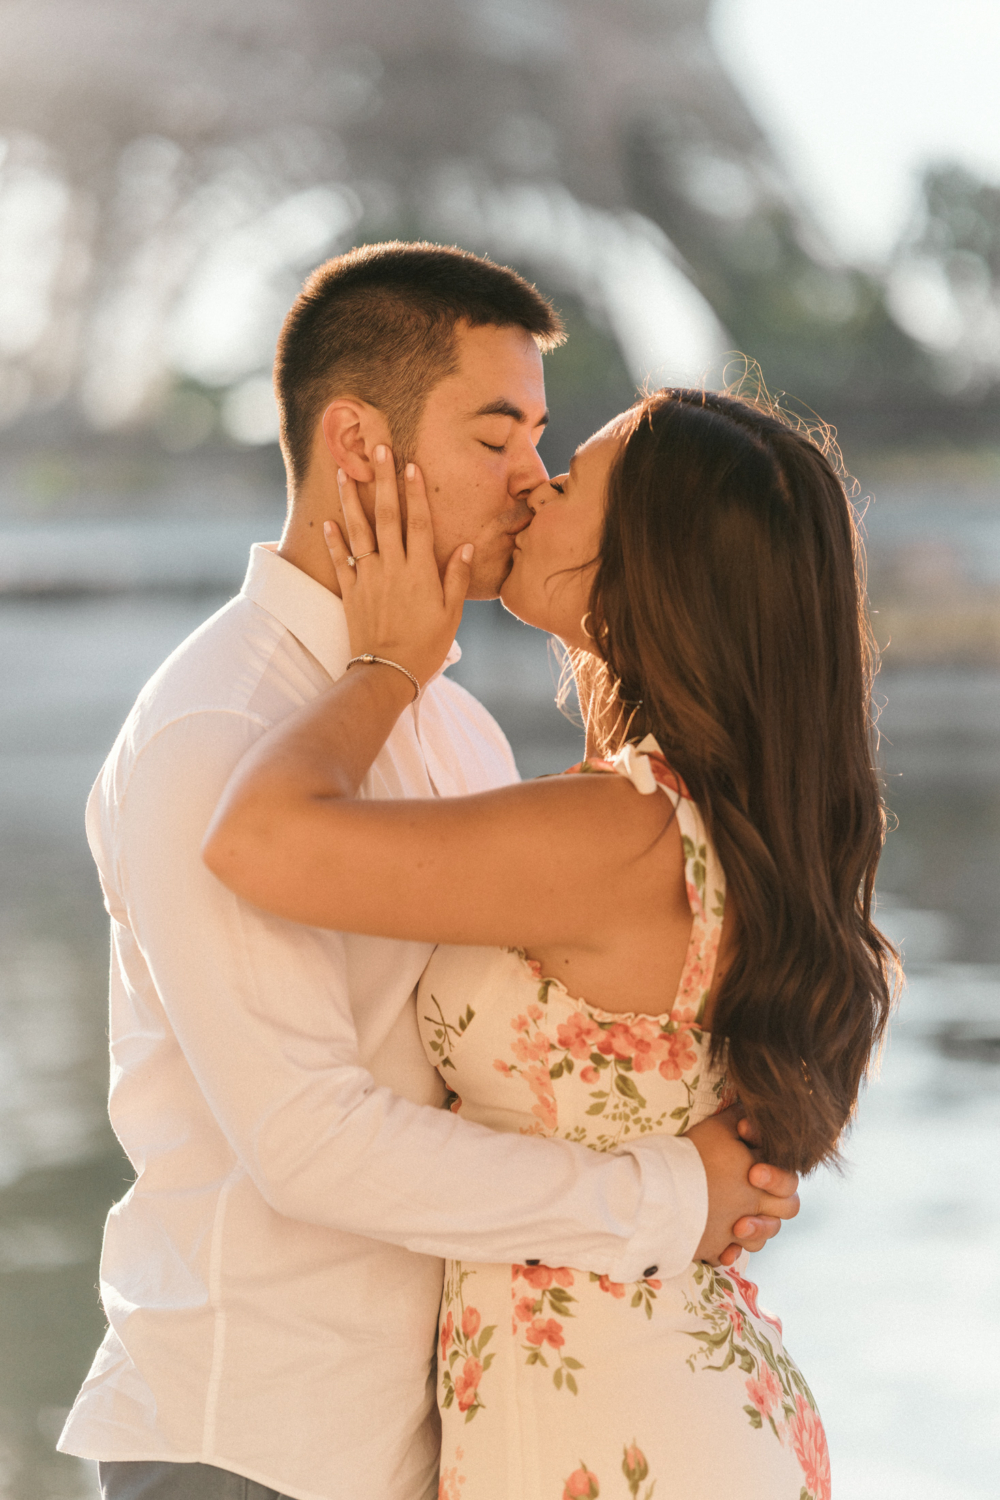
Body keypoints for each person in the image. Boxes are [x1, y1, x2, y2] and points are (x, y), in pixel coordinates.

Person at [58, 243, 801, 1500]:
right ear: (357, 447)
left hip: (447, 1436)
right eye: (497, 439)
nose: (533, 481)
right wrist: (670, 1196)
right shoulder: (213, 733)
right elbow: (307, 1143)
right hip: (253, 1443)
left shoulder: (451, 723)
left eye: (544, 444)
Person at [203, 384, 898, 1500]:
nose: (530, 482)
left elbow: (257, 842)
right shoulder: (705, 821)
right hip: (665, 1406)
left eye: (567, 479)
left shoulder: (614, 831)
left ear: (644, 561)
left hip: (613, 1428)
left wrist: (385, 665)